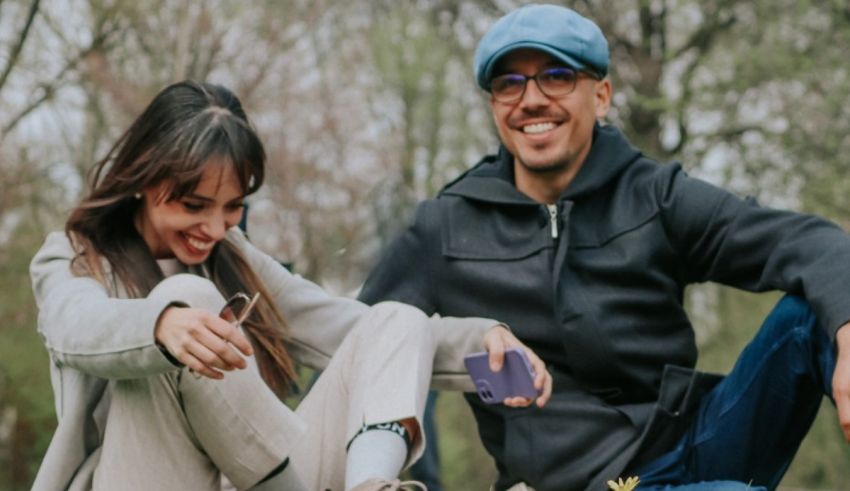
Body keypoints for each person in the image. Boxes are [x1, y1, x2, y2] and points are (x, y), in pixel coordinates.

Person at [359, 4, 850, 491]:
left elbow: (811, 244)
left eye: (556, 76)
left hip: (698, 444)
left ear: (601, 96)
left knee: (813, 315)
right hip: (580, 482)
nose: (530, 99)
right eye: (509, 83)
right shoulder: (444, 228)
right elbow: (363, 350)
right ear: (494, 106)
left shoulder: (657, 197)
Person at [29, 80, 552, 491]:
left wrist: (487, 348)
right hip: (146, 479)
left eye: (232, 207)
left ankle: (372, 483)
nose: (213, 229)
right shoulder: (76, 256)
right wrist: (163, 325)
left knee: (397, 315)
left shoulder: (231, 258)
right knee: (187, 301)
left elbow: (353, 330)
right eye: (194, 206)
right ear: (145, 180)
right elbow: (75, 327)